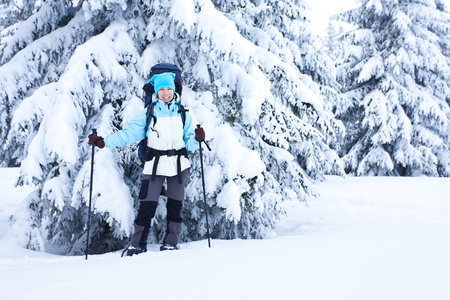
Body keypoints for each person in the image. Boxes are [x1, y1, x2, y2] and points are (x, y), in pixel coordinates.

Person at [88, 71, 205, 256]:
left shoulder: (184, 114)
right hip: (154, 164)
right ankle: (137, 245)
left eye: (169, 89)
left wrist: (198, 139)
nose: (166, 93)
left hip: (178, 165)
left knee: (175, 206)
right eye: (162, 89)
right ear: (156, 92)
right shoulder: (148, 113)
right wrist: (104, 141)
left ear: (174, 91)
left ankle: (171, 243)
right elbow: (128, 134)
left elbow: (190, 142)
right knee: (146, 206)